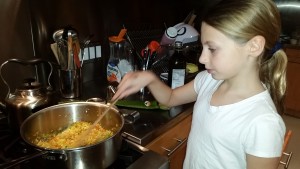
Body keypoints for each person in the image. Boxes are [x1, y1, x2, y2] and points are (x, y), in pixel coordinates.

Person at [112, 0, 287, 168]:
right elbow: (171, 98)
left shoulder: (263, 123)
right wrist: (149, 78)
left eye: (212, 49)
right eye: (203, 47)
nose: (202, 58)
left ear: (254, 46)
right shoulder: (208, 80)